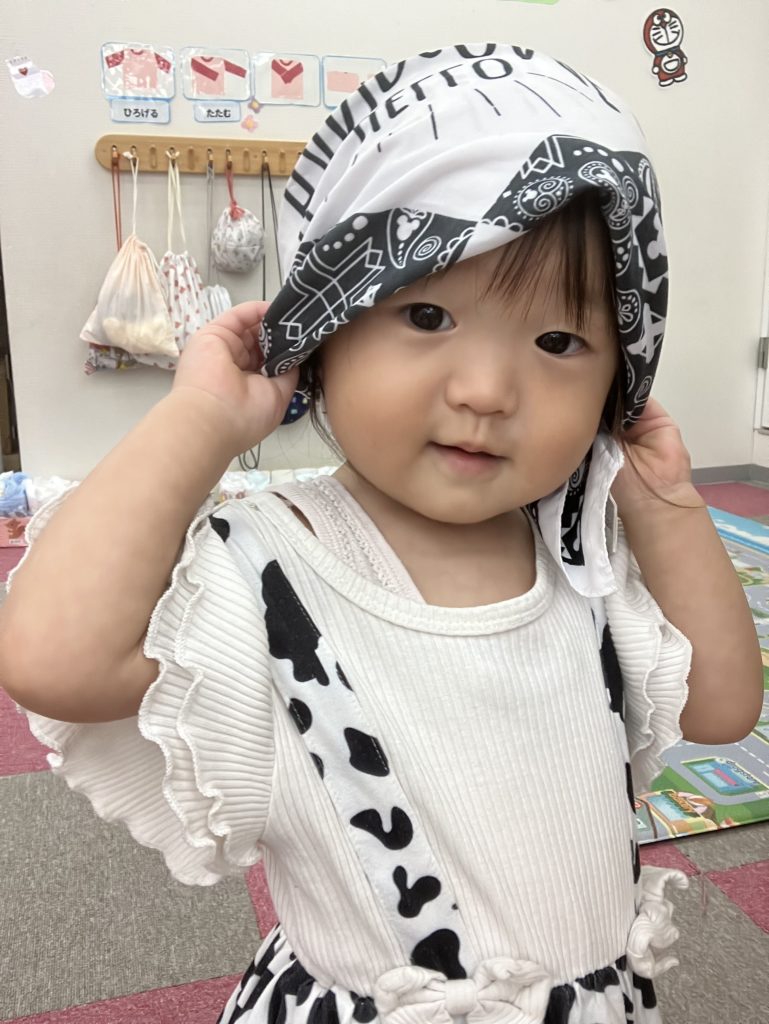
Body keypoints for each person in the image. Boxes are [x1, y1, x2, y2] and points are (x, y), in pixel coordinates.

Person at [0, 43, 762, 1024]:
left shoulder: (583, 555)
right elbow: (51, 660)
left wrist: (667, 506)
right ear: (327, 328)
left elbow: (721, 709)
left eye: (558, 341)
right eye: (429, 314)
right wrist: (201, 419)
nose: (486, 390)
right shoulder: (268, 564)